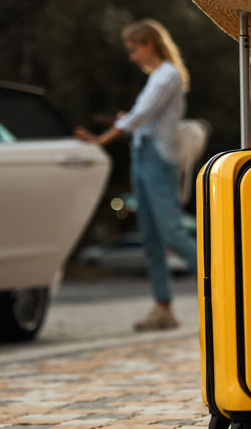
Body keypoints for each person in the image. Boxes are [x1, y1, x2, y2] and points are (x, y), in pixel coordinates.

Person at [75, 18, 197, 331]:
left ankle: (231, 289)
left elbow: (142, 115)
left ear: (149, 44)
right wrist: (126, 121)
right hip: (142, 157)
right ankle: (163, 308)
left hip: (158, 160)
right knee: (152, 239)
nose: (132, 57)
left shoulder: (168, 75)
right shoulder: (157, 77)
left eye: (134, 49)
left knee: (171, 233)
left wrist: (102, 139)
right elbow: (140, 118)